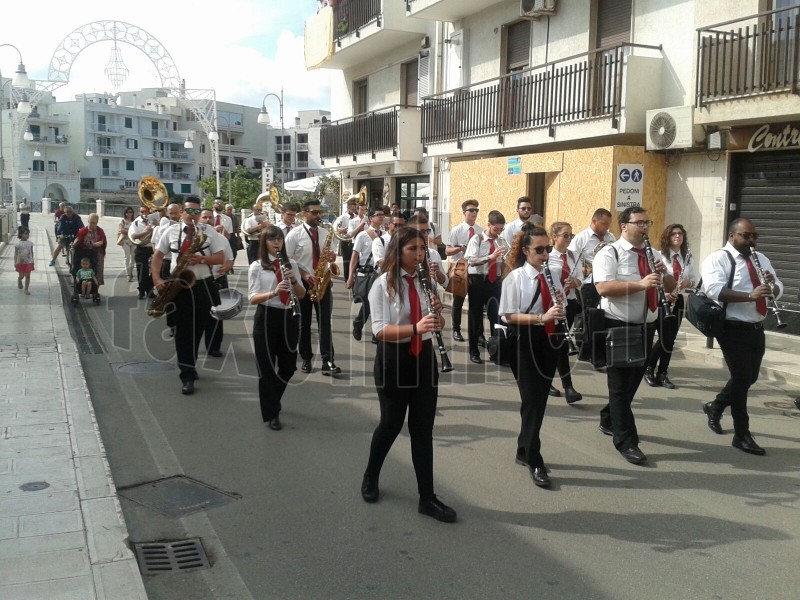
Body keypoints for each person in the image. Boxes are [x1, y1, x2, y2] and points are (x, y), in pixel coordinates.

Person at [361, 227, 457, 523]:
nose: (418, 255)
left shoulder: (424, 281)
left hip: (423, 359)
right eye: (412, 249)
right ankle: (370, 476)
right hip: (394, 359)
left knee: (422, 429)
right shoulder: (383, 284)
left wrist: (437, 319)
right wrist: (416, 328)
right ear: (397, 252)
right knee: (390, 424)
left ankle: (427, 498)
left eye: (421, 249)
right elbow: (379, 330)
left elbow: (434, 320)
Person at [593, 207, 675, 465]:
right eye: (639, 223)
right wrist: (640, 284)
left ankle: (609, 417)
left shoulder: (654, 254)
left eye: (647, 223)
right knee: (619, 386)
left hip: (646, 326)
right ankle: (627, 442)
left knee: (630, 384)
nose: (644, 227)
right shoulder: (610, 252)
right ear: (624, 226)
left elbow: (672, 286)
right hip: (618, 325)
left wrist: (664, 275)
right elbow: (603, 287)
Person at [700, 218, 782, 456]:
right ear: (731, 236)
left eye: (754, 236)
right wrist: (750, 295)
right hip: (731, 327)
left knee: (748, 378)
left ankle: (715, 406)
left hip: (756, 325)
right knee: (741, 378)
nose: (751, 241)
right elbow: (713, 289)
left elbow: (778, 284)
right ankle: (741, 434)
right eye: (746, 236)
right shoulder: (718, 258)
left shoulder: (761, 258)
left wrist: (772, 288)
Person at [500, 225, 566, 487]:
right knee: (532, 400)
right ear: (526, 250)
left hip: (549, 340)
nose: (545, 254)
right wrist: (542, 317)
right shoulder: (514, 278)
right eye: (539, 250)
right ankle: (534, 458)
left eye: (548, 249)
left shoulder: (553, 273)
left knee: (538, 399)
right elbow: (508, 315)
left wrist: (560, 300)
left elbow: (561, 306)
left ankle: (522, 449)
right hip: (524, 340)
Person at [151, 198, 228, 395]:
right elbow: (158, 256)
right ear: (181, 212)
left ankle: (190, 364)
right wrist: (158, 279)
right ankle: (187, 373)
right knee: (184, 333)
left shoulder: (208, 231)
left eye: (196, 211)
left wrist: (202, 258)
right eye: (189, 211)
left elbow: (221, 257)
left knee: (198, 330)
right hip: (180, 286)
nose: (192, 215)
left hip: (202, 285)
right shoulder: (170, 231)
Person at [248, 225, 306, 430]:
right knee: (266, 368)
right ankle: (272, 414)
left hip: (288, 316)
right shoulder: (257, 266)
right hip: (266, 317)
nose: (276, 243)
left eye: (279, 239)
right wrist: (273, 292)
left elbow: (300, 294)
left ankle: (273, 399)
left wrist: (292, 280)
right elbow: (253, 298)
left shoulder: (292, 265)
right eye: (272, 239)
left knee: (289, 366)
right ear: (264, 243)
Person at [284, 199, 341, 375]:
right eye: (315, 212)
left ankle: (327, 360)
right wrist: (303, 274)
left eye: (320, 213)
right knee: (304, 324)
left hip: (323, 283)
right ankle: (306, 358)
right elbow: (286, 260)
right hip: (303, 285)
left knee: (325, 324)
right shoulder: (294, 234)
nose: (318, 216)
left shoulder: (326, 233)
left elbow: (331, 256)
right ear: (304, 214)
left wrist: (332, 257)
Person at [644, 224, 698, 390]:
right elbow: (651, 279)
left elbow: (696, 281)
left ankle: (663, 373)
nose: (677, 236)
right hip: (661, 299)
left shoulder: (688, 258)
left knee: (670, 339)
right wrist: (665, 294)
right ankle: (648, 369)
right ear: (667, 237)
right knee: (662, 337)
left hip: (678, 300)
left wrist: (688, 282)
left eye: (680, 233)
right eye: (673, 233)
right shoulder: (658, 256)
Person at [464, 209, 507, 364]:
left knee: (496, 317)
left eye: (501, 229)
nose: (498, 232)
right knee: (475, 318)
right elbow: (471, 261)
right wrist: (491, 256)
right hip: (478, 281)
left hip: (494, 282)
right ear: (489, 225)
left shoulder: (501, 241)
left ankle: (497, 351)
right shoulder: (477, 239)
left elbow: (505, 260)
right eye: (496, 229)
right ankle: (474, 351)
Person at [547, 221, 583, 403]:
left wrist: (574, 282)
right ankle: (565, 386)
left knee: (559, 345)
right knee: (554, 346)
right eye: (565, 235)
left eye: (571, 235)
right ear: (554, 237)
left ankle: (563, 386)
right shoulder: (547, 256)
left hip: (569, 304)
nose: (569, 239)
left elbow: (582, 279)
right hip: (550, 307)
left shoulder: (573, 255)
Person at [445, 199, 484, 342]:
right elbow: (448, 251)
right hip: (460, 268)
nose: (474, 213)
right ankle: (456, 329)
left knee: (477, 303)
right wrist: (461, 248)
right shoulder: (456, 230)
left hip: (476, 269)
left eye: (476, 210)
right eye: (471, 210)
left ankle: (478, 334)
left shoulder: (481, 231)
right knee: (458, 301)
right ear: (464, 213)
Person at [200, 209, 235, 358]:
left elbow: (230, 259)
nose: (208, 220)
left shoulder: (222, 239)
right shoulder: (194, 237)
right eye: (204, 217)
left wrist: (227, 267)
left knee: (216, 316)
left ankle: (214, 346)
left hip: (217, 280)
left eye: (210, 217)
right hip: (200, 281)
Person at [348, 206, 386, 342]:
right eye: (378, 215)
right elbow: (354, 256)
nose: (382, 217)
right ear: (371, 218)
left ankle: (377, 333)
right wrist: (350, 276)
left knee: (381, 302)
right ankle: (358, 324)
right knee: (369, 303)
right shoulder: (363, 235)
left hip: (382, 272)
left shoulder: (385, 235)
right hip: (367, 272)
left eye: (383, 215)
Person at [568, 208, 616, 307]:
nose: (607, 227)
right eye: (604, 224)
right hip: (589, 284)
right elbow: (572, 259)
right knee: (590, 316)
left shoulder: (611, 237)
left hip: (608, 281)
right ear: (594, 221)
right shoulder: (581, 238)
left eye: (609, 224)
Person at [128, 205, 156, 299]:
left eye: (145, 211)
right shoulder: (136, 222)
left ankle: (149, 290)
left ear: (149, 211)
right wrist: (146, 232)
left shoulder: (154, 220)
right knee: (141, 272)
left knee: (154, 271)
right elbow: (134, 236)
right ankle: (141, 291)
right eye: (142, 212)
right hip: (141, 248)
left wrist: (156, 226)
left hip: (152, 249)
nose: (144, 213)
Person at [73, 213, 107, 288]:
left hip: (97, 251)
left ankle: (95, 287)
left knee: (97, 267)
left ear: (97, 222)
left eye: (94, 223)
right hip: (84, 252)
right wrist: (75, 243)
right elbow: (78, 238)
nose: (92, 224)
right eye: (90, 222)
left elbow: (102, 241)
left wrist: (95, 244)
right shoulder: (83, 230)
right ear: (88, 221)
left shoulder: (100, 231)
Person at [334, 197, 361, 282]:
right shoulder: (342, 218)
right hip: (346, 242)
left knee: (356, 261)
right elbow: (336, 230)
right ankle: (347, 279)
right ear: (348, 208)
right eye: (352, 209)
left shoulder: (357, 217)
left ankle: (355, 278)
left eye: (355, 208)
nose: (353, 211)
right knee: (347, 262)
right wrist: (346, 229)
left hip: (355, 241)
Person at [14, 227, 34, 295]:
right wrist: (15, 262)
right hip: (21, 262)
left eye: (28, 233)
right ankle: (19, 280)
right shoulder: (17, 244)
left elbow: (32, 252)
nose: (27, 235)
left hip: (29, 262)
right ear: (20, 235)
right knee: (22, 276)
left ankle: (26, 289)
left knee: (28, 275)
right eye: (25, 234)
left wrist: (32, 261)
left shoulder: (30, 243)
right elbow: (16, 255)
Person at [118, 206, 136, 281]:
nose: (129, 214)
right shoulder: (122, 221)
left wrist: (127, 230)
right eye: (127, 212)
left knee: (133, 258)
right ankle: (128, 274)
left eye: (130, 212)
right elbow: (121, 230)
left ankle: (131, 272)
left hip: (133, 241)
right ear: (125, 213)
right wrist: (130, 231)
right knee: (127, 257)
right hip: (125, 241)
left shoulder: (135, 221)